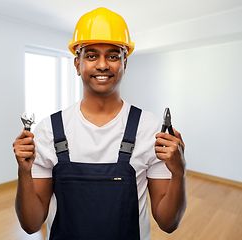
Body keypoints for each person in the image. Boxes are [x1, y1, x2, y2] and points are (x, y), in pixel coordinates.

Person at [13, 7, 186, 240]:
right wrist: (24, 172)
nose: (103, 65)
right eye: (91, 55)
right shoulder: (48, 130)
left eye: (113, 56)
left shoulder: (151, 129)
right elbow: (31, 225)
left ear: (126, 63)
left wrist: (179, 172)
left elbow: (168, 223)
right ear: (77, 64)